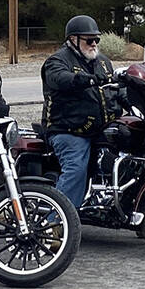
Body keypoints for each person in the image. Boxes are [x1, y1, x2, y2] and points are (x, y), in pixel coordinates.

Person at [41, 15, 119, 209]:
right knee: (76, 168)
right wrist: (87, 79)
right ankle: (58, 219)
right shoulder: (57, 61)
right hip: (69, 130)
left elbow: (116, 88)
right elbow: (60, 79)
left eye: (97, 39)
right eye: (89, 40)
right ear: (73, 39)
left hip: (100, 128)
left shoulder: (103, 62)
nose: (94, 44)